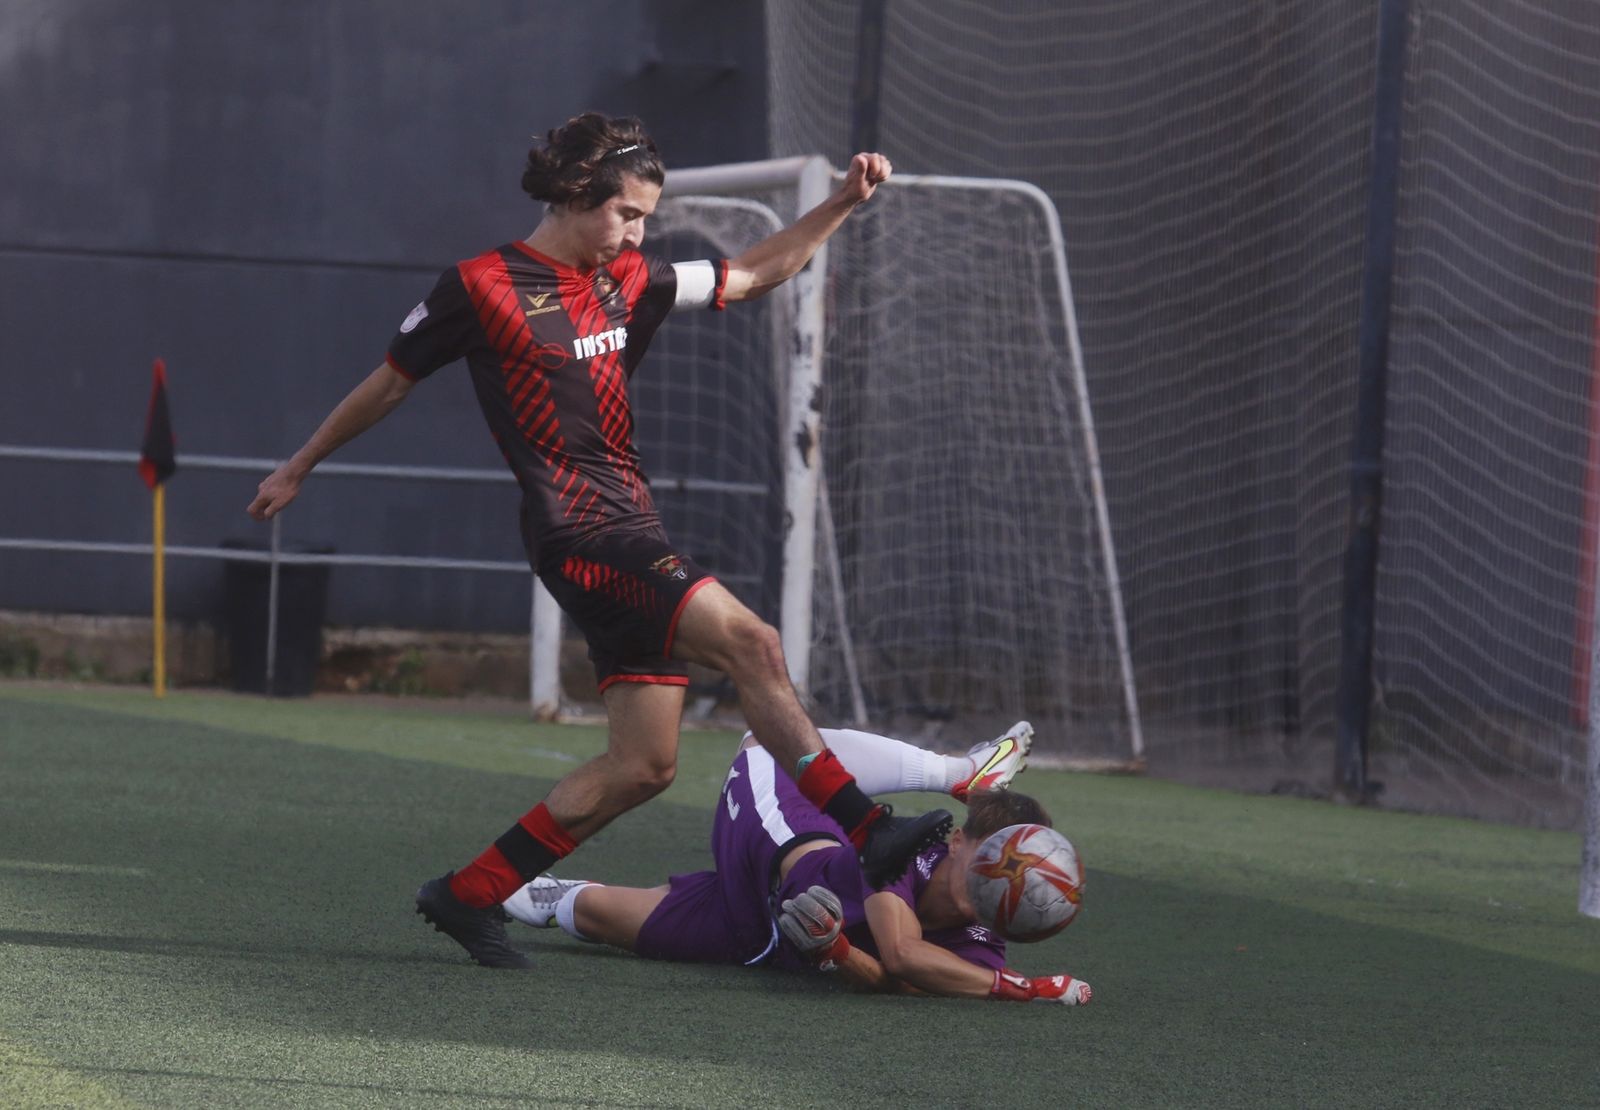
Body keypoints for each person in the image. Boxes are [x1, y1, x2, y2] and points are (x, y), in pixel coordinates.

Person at [246, 113, 951, 969]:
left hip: (631, 527)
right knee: (752, 643)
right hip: (579, 533)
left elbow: (760, 271)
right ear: (578, 195)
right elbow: (388, 385)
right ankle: (871, 831)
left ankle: (468, 894)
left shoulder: (629, 278)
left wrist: (842, 201)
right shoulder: (480, 285)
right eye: (627, 214)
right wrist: (300, 465)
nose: (638, 232)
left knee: (645, 765)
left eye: (646, 217)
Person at [502, 722, 1093, 1004]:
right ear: (961, 842)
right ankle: (959, 775)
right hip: (775, 843)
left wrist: (835, 953)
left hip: (758, 930)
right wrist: (1030, 989)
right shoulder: (905, 850)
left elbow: (898, 981)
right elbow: (904, 952)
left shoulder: (985, 938)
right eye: (989, 857)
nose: (993, 876)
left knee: (598, 915)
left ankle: (564, 897)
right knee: (765, 742)